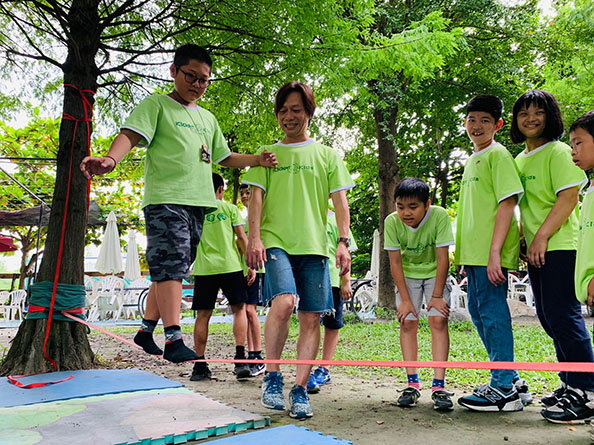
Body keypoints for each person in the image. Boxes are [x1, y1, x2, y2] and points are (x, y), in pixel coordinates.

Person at [80, 44, 276, 363]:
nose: (197, 84)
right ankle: (173, 339)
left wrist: (257, 159)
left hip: (198, 205)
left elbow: (225, 157)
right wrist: (111, 160)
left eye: (204, 80)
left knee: (171, 269)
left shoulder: (207, 118)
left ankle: (146, 330)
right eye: (191, 76)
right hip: (166, 200)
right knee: (171, 268)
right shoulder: (157, 105)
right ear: (173, 71)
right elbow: (130, 135)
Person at [244, 81, 354, 419]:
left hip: (315, 246)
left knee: (310, 318)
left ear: (309, 112)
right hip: (276, 242)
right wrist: (254, 238)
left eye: (296, 110)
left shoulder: (326, 155)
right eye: (283, 111)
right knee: (284, 302)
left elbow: (340, 201)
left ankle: (300, 389)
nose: (288, 117)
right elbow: (256, 199)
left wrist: (342, 242)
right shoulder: (266, 153)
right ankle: (272, 377)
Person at [512, 91, 594, 423]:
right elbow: (526, 206)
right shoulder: (519, 160)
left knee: (564, 317)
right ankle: (570, 383)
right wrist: (524, 237)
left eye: (539, 112)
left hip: (561, 246)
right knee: (548, 318)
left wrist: (542, 236)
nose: (531, 118)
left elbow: (568, 197)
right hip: (537, 248)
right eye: (524, 113)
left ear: (551, 117)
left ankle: (587, 389)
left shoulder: (559, 152)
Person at [455, 95, 529, 412]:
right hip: (474, 254)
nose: (477, 126)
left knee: (493, 314)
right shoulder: (473, 159)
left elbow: (507, 203)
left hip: (490, 253)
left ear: (498, 125)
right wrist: (463, 256)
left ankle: (503, 388)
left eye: (485, 120)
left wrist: (495, 252)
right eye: (472, 119)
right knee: (478, 311)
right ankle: (511, 379)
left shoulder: (498, 155)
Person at [384, 177, 455, 411]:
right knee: (407, 323)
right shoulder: (391, 222)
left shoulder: (439, 216)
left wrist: (437, 295)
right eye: (400, 206)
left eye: (413, 207)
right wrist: (405, 300)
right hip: (407, 275)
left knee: (438, 321)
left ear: (427, 204)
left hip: (435, 273)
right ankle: (412, 384)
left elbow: (443, 258)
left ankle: (439, 386)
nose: (406, 213)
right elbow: (395, 262)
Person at [190, 173, 254, 381]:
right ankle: (240, 359)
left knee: (202, 315)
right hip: (230, 266)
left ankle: (199, 365)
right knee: (239, 310)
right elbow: (242, 237)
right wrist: (250, 264)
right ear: (220, 190)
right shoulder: (230, 209)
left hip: (204, 269)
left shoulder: (195, 211)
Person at [306, 207, 356, 394]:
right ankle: (306, 368)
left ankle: (324, 368)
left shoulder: (338, 220)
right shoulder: (305, 216)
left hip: (333, 281)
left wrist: (346, 281)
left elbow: (346, 254)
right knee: (309, 323)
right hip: (310, 280)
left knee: (332, 324)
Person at [239, 183, 266, 377]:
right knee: (245, 313)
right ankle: (251, 354)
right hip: (242, 270)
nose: (244, 196)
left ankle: (258, 356)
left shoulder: (260, 219)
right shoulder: (243, 220)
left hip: (257, 269)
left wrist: (254, 267)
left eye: (248, 192)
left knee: (250, 310)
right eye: (242, 193)